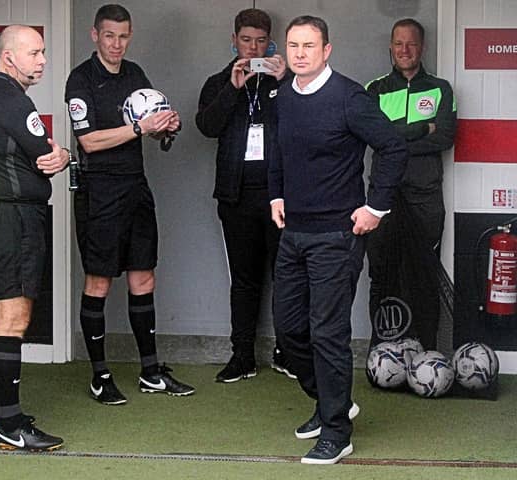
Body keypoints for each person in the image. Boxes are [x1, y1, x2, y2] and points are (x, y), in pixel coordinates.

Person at [268, 16, 407, 464]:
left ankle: (336, 430)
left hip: (337, 235)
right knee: (289, 331)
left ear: (327, 50)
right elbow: (278, 147)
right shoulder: (285, 94)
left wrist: (375, 207)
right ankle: (333, 400)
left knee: (327, 332)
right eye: (294, 45)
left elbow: (393, 146)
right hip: (294, 233)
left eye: (310, 45)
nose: (301, 53)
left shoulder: (350, 98)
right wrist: (276, 193)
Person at [64, 4, 194, 405]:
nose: (116, 44)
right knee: (99, 282)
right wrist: (139, 128)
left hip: (135, 187)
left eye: (123, 36)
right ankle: (100, 375)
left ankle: (151, 371)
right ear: (95, 36)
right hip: (99, 191)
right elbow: (88, 141)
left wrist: (164, 128)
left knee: (144, 278)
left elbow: (149, 126)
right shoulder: (81, 79)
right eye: (109, 36)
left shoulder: (135, 74)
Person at [0, 24, 69, 451]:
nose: (42, 60)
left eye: (43, 52)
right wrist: (63, 155)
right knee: (13, 319)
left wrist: (52, 153)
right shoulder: (11, 99)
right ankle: (11, 426)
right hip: (14, 222)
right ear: (9, 57)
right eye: (35, 53)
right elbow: (46, 157)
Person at [196, 9, 294, 383]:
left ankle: (288, 351)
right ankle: (242, 356)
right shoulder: (219, 81)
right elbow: (206, 126)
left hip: (279, 196)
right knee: (244, 279)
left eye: (260, 41)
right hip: (235, 195)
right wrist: (232, 88)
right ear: (234, 40)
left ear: (269, 43)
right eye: (246, 40)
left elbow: (302, 121)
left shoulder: (285, 82)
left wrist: (285, 81)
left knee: (285, 276)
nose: (253, 47)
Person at [366, 18, 457, 350]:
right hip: (383, 197)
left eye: (412, 44)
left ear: (423, 47)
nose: (405, 50)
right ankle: (382, 350)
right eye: (399, 44)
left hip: (425, 197)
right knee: (381, 275)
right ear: (390, 48)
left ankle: (426, 348)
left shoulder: (440, 88)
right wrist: (422, 129)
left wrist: (394, 139)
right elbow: (373, 138)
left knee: (423, 274)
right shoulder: (374, 89)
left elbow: (445, 137)